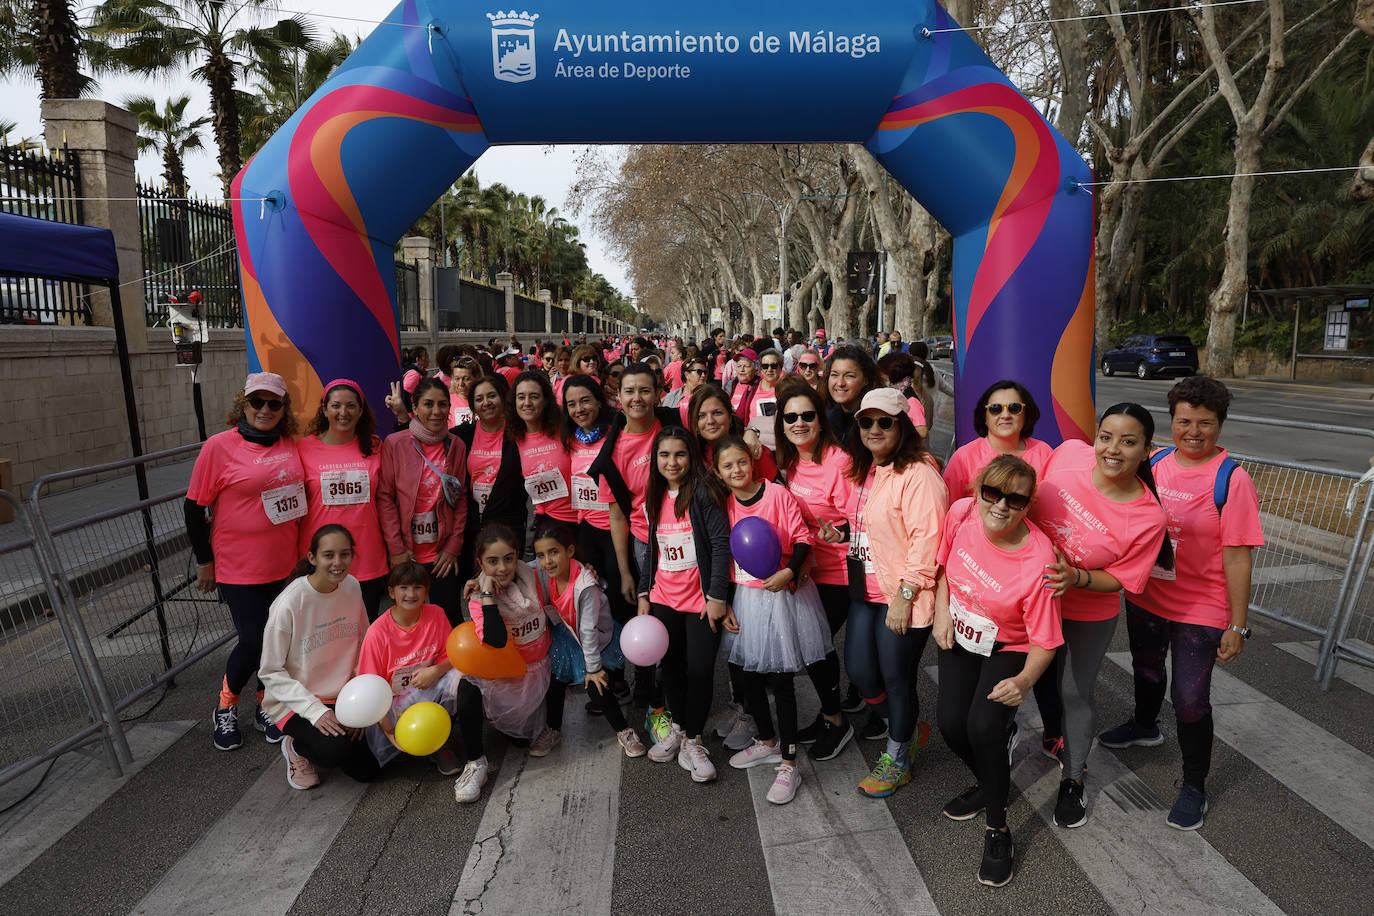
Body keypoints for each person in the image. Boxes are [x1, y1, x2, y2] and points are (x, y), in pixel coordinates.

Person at [1100, 377, 1263, 830]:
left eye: (1205, 423)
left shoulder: (1232, 479)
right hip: (1148, 595)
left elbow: (1237, 557)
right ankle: (1144, 725)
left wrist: (1238, 624)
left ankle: (1195, 785)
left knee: (1190, 699)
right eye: (1184, 421)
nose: (1193, 431)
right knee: (1146, 668)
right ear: (1170, 422)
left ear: (1220, 425)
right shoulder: (1154, 462)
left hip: (1202, 607)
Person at [1032, 403, 1170, 829]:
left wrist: (1074, 576)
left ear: (1147, 450)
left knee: (1074, 692)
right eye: (1106, 437)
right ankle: (995, 766)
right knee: (1016, 681)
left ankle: (1073, 777)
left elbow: (1123, 579)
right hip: (1030, 602)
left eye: (1128, 442)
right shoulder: (1064, 469)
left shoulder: (1148, 515)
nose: (1113, 449)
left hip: (1088, 613)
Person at [933, 456, 1061, 887]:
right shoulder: (961, 513)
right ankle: (991, 780)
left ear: (1028, 505)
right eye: (993, 492)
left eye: (1016, 499)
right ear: (977, 490)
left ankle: (997, 827)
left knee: (982, 728)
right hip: (962, 633)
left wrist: (1024, 682)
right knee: (951, 726)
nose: (1001, 505)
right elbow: (942, 570)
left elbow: (1045, 641)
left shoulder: (1039, 559)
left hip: (1010, 645)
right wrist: (940, 613)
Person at [823, 387, 947, 797]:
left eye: (884, 421)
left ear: (903, 426)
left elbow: (927, 541)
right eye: (865, 421)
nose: (873, 429)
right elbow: (868, 525)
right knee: (859, 670)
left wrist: (906, 596)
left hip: (901, 595)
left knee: (897, 678)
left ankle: (897, 756)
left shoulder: (920, 474)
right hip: (865, 589)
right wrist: (840, 531)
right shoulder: (866, 469)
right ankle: (905, 727)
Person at [940, 379, 1061, 758]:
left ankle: (1052, 734)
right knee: (979, 679)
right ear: (984, 416)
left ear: (1027, 415)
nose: (1005, 414)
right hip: (979, 581)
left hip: (1030, 575)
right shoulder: (965, 457)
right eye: (996, 408)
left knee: (1042, 667)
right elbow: (954, 515)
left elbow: (1055, 512)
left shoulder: (1047, 454)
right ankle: (998, 729)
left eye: (1014, 407)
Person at [187, 371, 305, 751]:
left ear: (284, 409)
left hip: (285, 564)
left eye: (274, 403)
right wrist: (205, 561)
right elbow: (193, 508)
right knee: (255, 640)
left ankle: (265, 704)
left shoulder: (292, 444)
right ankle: (225, 704)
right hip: (239, 565)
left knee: (279, 641)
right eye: (257, 402)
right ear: (244, 404)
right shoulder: (219, 447)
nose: (265, 410)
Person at [716, 437, 833, 805]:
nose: (736, 471)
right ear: (719, 474)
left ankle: (789, 761)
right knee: (748, 675)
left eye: (740, 462)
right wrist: (728, 601)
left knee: (781, 680)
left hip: (782, 593)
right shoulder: (724, 505)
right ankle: (766, 740)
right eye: (727, 467)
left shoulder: (777, 494)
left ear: (751, 460)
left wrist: (789, 572)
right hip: (746, 597)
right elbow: (727, 555)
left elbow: (802, 538)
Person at [636, 428, 733, 783]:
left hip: (700, 601)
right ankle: (678, 728)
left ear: (691, 457)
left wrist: (717, 596)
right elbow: (653, 547)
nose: (672, 462)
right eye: (664, 455)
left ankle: (694, 740)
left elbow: (721, 546)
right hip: (664, 598)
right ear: (655, 459)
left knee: (700, 671)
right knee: (672, 667)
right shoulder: (655, 493)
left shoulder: (704, 492)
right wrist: (644, 593)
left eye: (679, 454)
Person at [770, 379, 855, 760]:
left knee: (817, 646)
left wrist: (839, 532)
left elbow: (862, 518)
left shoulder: (839, 460)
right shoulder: (787, 460)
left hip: (838, 569)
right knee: (810, 645)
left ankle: (838, 722)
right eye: (791, 417)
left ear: (820, 420)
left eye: (807, 415)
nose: (799, 423)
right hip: (805, 564)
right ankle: (828, 715)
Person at [260, 524, 377, 789]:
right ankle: (295, 747)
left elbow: (363, 643)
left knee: (368, 772)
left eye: (344, 554)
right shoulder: (289, 603)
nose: (338, 562)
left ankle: (333, 738)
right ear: (312, 558)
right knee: (333, 751)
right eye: (328, 555)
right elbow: (270, 672)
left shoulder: (352, 586)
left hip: (343, 695)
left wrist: (361, 703)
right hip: (296, 702)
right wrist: (315, 712)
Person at [452, 524, 554, 802]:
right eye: (492, 562)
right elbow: (496, 640)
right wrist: (486, 593)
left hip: (534, 673)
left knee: (521, 740)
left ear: (518, 556)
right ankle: (476, 763)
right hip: (500, 676)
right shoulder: (477, 597)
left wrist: (587, 570)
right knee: (466, 686)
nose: (502, 568)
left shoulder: (533, 573)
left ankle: (549, 727)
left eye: (509, 558)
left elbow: (566, 567)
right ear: (480, 563)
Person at [533, 519, 646, 758]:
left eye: (554, 552)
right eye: (541, 555)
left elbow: (588, 631)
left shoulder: (586, 586)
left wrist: (593, 669)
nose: (547, 561)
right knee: (556, 681)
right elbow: (519, 568)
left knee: (596, 685)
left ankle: (624, 730)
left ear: (570, 551)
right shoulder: (541, 572)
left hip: (593, 637)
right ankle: (552, 729)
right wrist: (481, 580)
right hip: (567, 636)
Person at [589, 363, 665, 715]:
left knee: (677, 617)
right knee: (645, 614)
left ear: (658, 393)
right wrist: (625, 571)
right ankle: (647, 688)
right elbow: (616, 514)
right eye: (629, 391)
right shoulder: (612, 452)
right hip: (643, 544)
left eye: (645, 390)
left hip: (685, 541)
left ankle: (670, 685)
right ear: (618, 397)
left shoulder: (674, 428)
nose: (638, 398)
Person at [377, 377, 470, 624]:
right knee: (408, 618)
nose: (436, 411)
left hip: (442, 554)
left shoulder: (456, 446)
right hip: (407, 552)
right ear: (415, 408)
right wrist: (396, 549)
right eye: (428, 404)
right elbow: (385, 498)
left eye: (442, 404)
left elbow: (460, 499)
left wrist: (454, 545)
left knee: (449, 617)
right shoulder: (395, 444)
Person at [357, 560, 463, 775]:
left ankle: (441, 742)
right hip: (392, 705)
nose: (411, 594)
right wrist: (388, 730)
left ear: (427, 591)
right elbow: (370, 689)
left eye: (418, 588)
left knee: (463, 676)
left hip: (429, 690)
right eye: (403, 587)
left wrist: (435, 671)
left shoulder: (436, 615)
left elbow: (454, 657)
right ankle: (412, 743)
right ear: (391, 592)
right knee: (366, 769)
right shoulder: (377, 632)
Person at [298, 379, 389, 620]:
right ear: (324, 408)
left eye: (351, 406)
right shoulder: (302, 449)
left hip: (366, 556)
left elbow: (387, 501)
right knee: (321, 633)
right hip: (321, 559)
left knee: (361, 632)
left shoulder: (376, 446)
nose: (343, 412)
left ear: (361, 410)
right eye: (336, 405)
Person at [454, 373, 526, 566]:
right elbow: (430, 435)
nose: (486, 402)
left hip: (508, 531)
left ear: (503, 398)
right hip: (472, 531)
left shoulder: (519, 434)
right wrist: (403, 416)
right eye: (479, 399)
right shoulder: (463, 435)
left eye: (491, 396)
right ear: (473, 406)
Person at [511, 370, 577, 525]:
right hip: (546, 524)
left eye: (534, 396)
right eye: (521, 397)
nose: (527, 402)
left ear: (546, 400)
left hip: (580, 522)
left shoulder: (566, 429)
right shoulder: (514, 439)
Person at [826, 345, 881, 443]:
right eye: (834, 375)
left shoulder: (879, 422)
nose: (840, 383)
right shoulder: (825, 420)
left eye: (849, 376)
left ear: (866, 380)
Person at [876, 351, 929, 437]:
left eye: (883, 377)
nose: (881, 381)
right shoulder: (896, 395)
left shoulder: (911, 401)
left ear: (894, 377)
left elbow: (922, 432)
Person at [746, 349, 785, 450]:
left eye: (774, 366)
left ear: (780, 368)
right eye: (765, 366)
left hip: (779, 447)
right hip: (755, 446)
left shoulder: (786, 390)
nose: (769, 369)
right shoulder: (751, 389)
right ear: (761, 369)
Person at [662, 355, 709, 426]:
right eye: (699, 372)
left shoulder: (709, 397)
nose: (703, 375)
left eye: (705, 372)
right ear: (687, 374)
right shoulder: (671, 397)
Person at [448, 355, 480, 428]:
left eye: (466, 379)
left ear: (476, 377)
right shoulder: (447, 401)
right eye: (457, 379)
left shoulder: (485, 400)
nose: (461, 384)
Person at [729, 348, 760, 420]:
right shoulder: (730, 385)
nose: (742, 370)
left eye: (746, 366)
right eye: (739, 366)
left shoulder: (760, 386)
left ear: (756, 368)